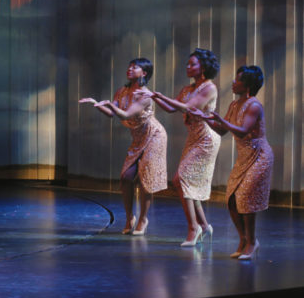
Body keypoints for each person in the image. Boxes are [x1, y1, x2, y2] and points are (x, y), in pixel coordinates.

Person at [138, 48, 221, 246]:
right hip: (193, 138)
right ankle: (204, 225)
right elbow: (172, 107)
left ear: (204, 67)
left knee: (180, 179)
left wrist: (157, 94)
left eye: (192, 64)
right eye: (188, 63)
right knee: (187, 183)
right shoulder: (187, 89)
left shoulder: (209, 88)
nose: (188, 67)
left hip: (206, 139)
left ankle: (194, 228)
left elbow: (189, 108)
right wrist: (155, 97)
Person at [190, 66, 273, 260]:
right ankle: (243, 240)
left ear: (248, 85)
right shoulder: (235, 105)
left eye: (237, 80)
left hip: (260, 156)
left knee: (246, 197)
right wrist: (206, 119)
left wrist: (219, 119)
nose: (233, 83)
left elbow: (243, 130)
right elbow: (222, 130)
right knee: (232, 200)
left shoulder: (254, 105)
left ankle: (252, 242)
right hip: (244, 156)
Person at [80, 58, 167, 236]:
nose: (130, 69)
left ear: (144, 73)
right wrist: (96, 103)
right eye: (129, 66)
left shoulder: (145, 95)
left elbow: (125, 114)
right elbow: (113, 113)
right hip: (137, 137)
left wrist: (110, 105)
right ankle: (130, 217)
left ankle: (143, 218)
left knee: (146, 180)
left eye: (135, 67)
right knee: (126, 176)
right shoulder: (123, 91)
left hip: (154, 136)